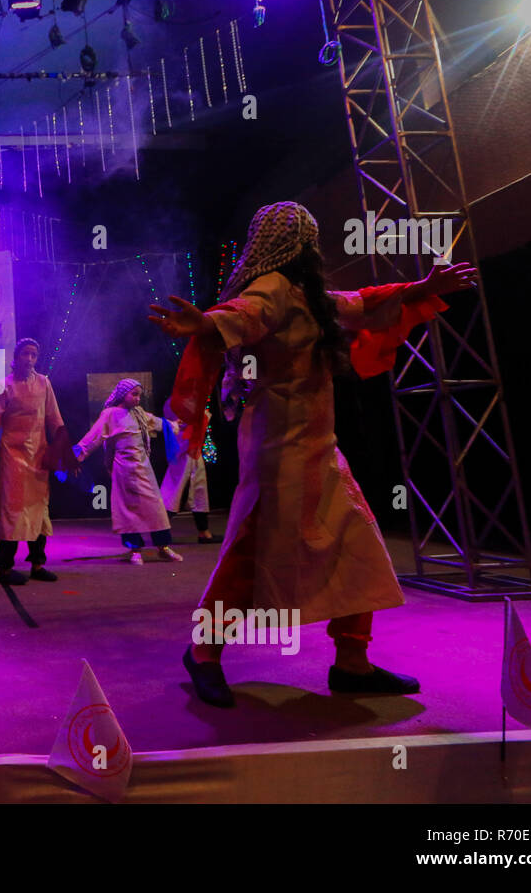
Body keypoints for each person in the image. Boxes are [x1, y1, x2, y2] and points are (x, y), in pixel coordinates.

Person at [148, 201, 477, 707]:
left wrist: (422, 289)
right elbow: (244, 314)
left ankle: (352, 663)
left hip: (319, 447)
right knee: (249, 556)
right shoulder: (274, 288)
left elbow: (361, 304)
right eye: (308, 238)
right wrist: (205, 325)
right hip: (277, 450)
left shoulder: (308, 296)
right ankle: (204, 652)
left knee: (356, 543)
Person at [0, 338, 77, 584]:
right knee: (13, 510)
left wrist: (64, 452)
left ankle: (37, 565)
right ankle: (5, 568)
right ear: (16, 357)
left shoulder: (44, 383)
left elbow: (54, 418)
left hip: (38, 455)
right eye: (25, 354)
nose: (29, 359)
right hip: (12, 456)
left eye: (33, 355)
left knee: (39, 509)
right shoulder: (4, 385)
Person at [72, 379, 183, 564]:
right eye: (134, 394)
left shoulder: (138, 413)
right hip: (123, 470)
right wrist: (73, 456)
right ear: (123, 394)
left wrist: (172, 424)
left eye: (140, 395)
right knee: (128, 511)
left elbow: (156, 422)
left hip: (144, 469)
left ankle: (163, 547)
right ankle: (135, 550)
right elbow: (93, 438)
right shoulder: (110, 414)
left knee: (156, 507)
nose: (138, 399)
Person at [161, 405, 214, 542]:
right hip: (182, 451)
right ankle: (159, 533)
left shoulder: (197, 400)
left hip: (194, 452)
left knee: (199, 491)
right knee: (174, 491)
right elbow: (172, 424)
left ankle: (204, 532)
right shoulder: (175, 401)